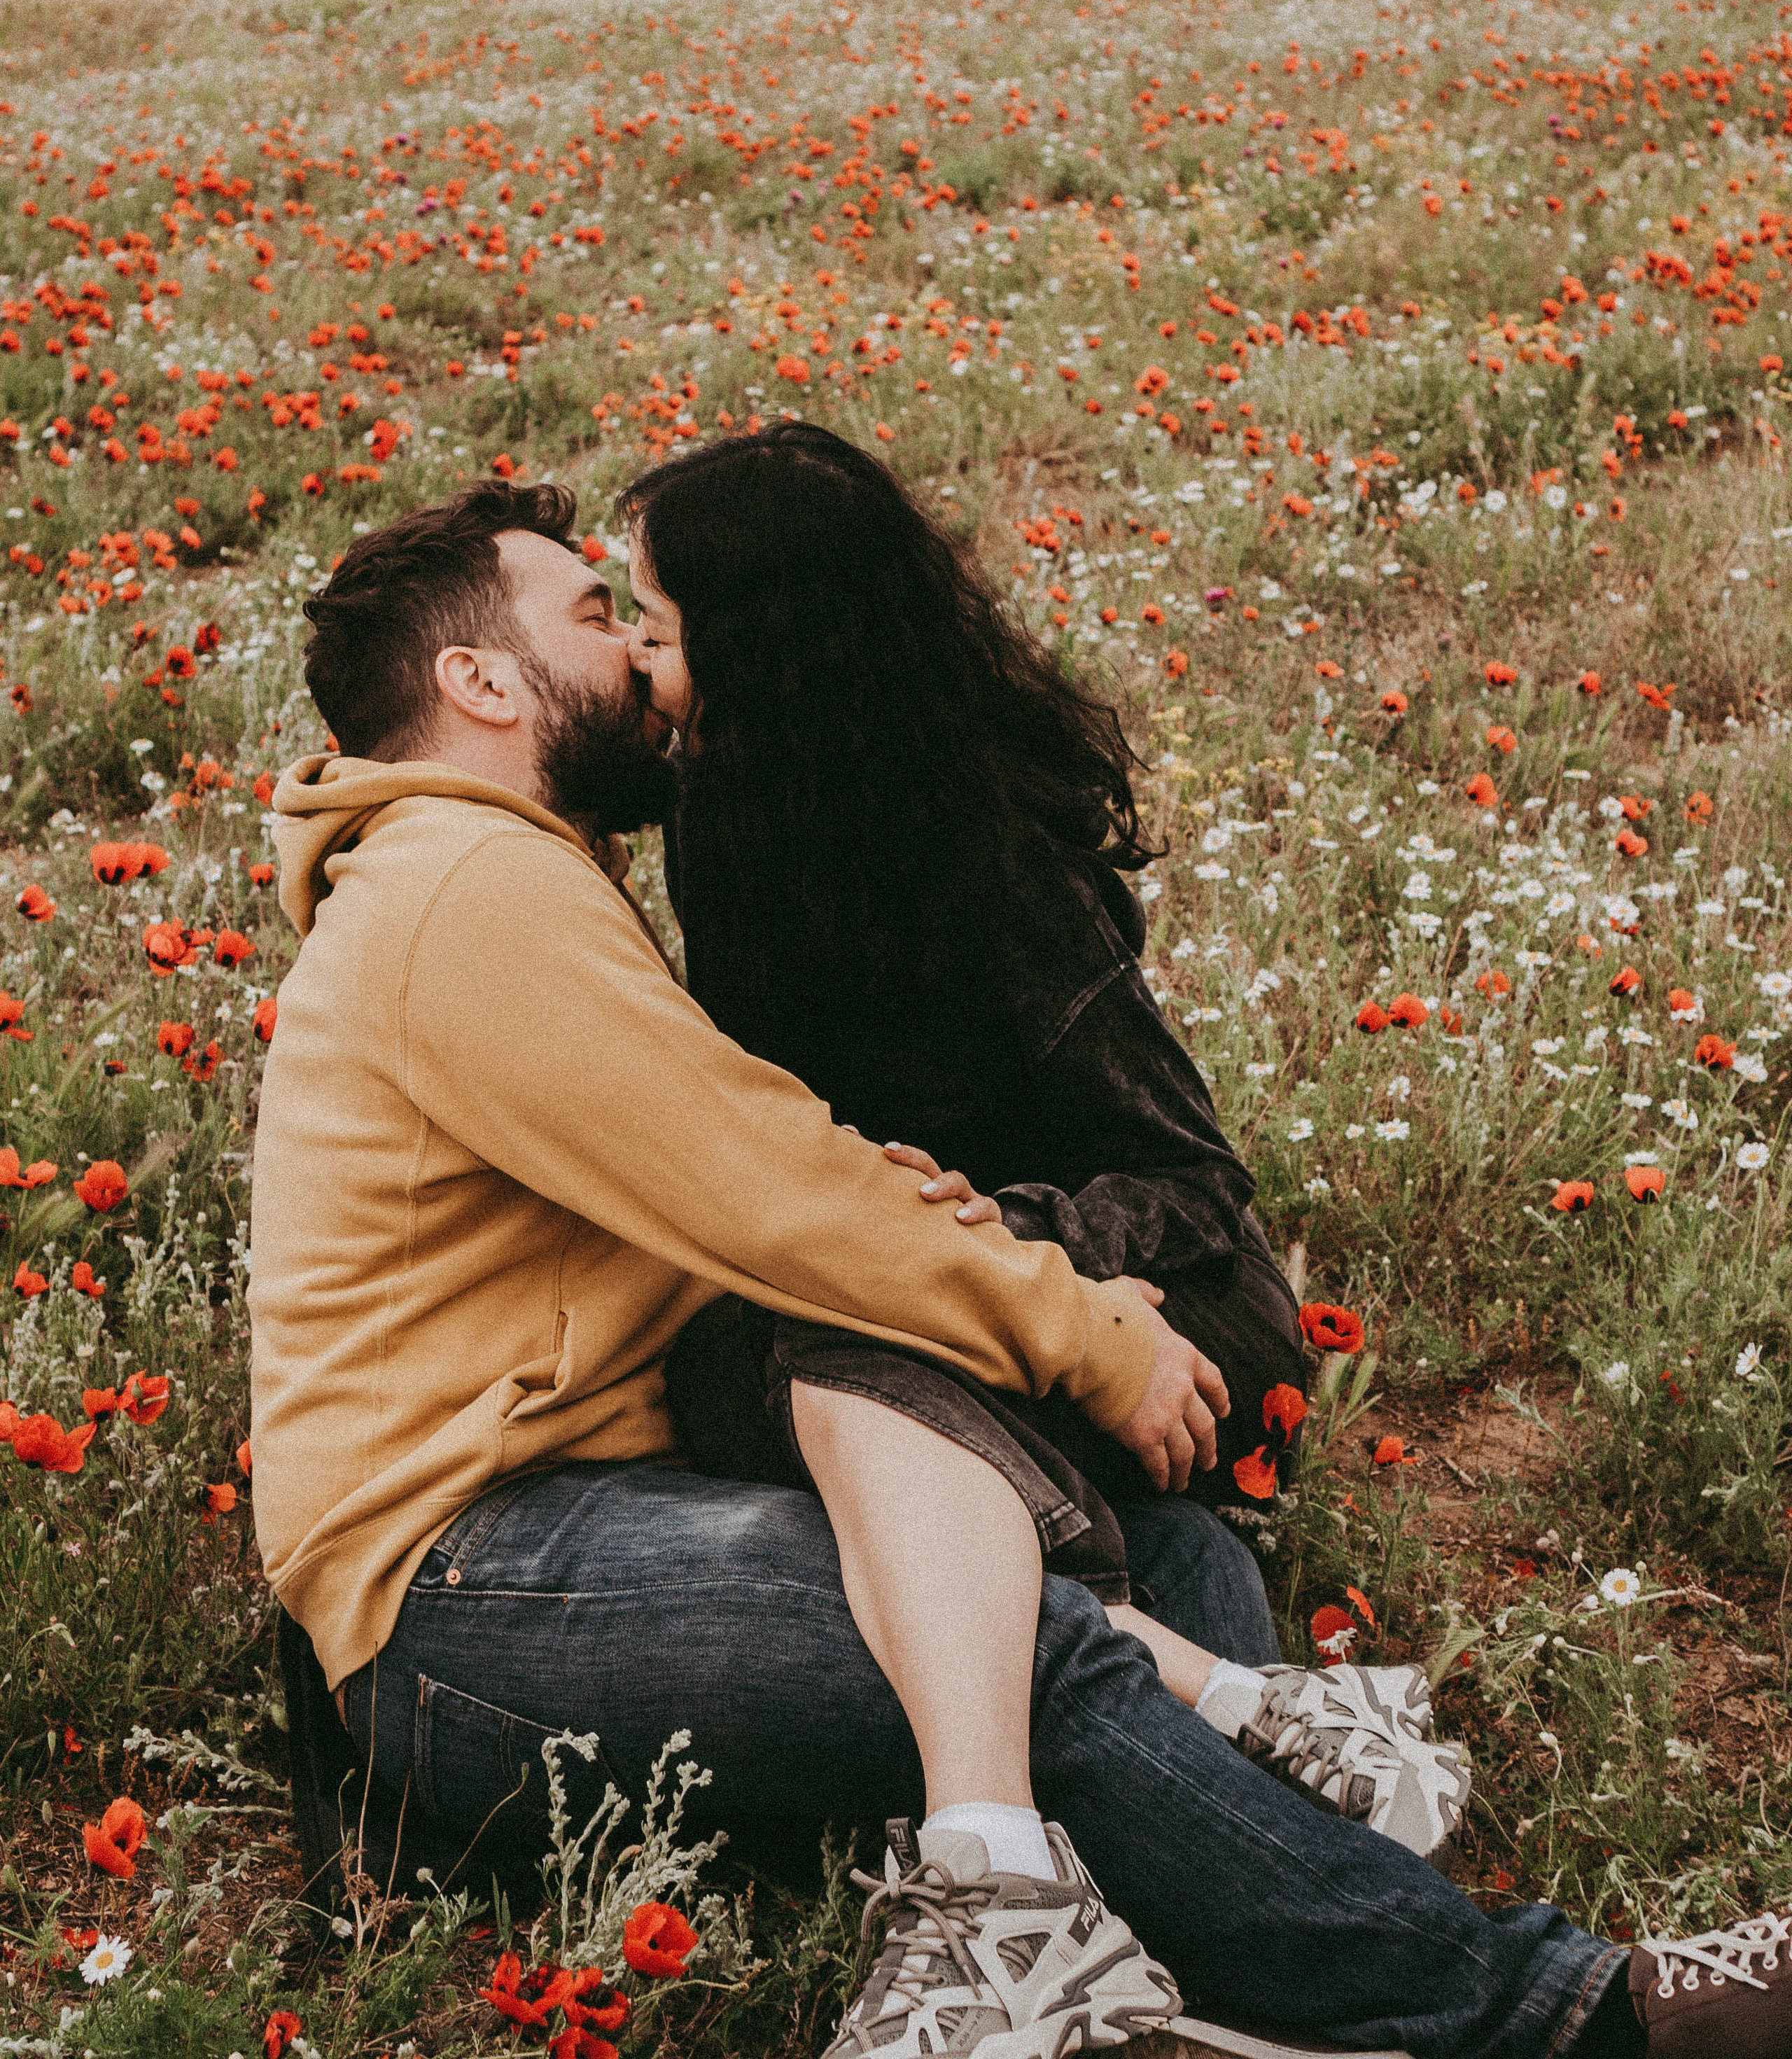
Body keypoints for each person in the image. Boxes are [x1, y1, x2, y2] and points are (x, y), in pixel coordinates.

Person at [251, 482, 1787, 2059]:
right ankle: (1559, 2016)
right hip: (455, 1587)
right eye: (596, 617)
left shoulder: (498, 877)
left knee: (1157, 1551)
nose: (640, 658)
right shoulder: (463, 887)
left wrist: (955, 1233)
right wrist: (1086, 1334)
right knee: (1001, 1636)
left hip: (582, 1518)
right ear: (482, 684)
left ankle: (1191, 1953)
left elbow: (750, 1177)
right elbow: (771, 1190)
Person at [617, 421, 1465, 1848]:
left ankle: (1068, 1770)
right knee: (730, 1363)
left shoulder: (982, 853)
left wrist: (1017, 1242)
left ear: (761, 651)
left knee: (792, 1366)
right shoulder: (733, 810)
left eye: (650, 624)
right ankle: (1233, 1710)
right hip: (938, 1293)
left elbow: (1197, 1181)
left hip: (1161, 1301)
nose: (634, 661)